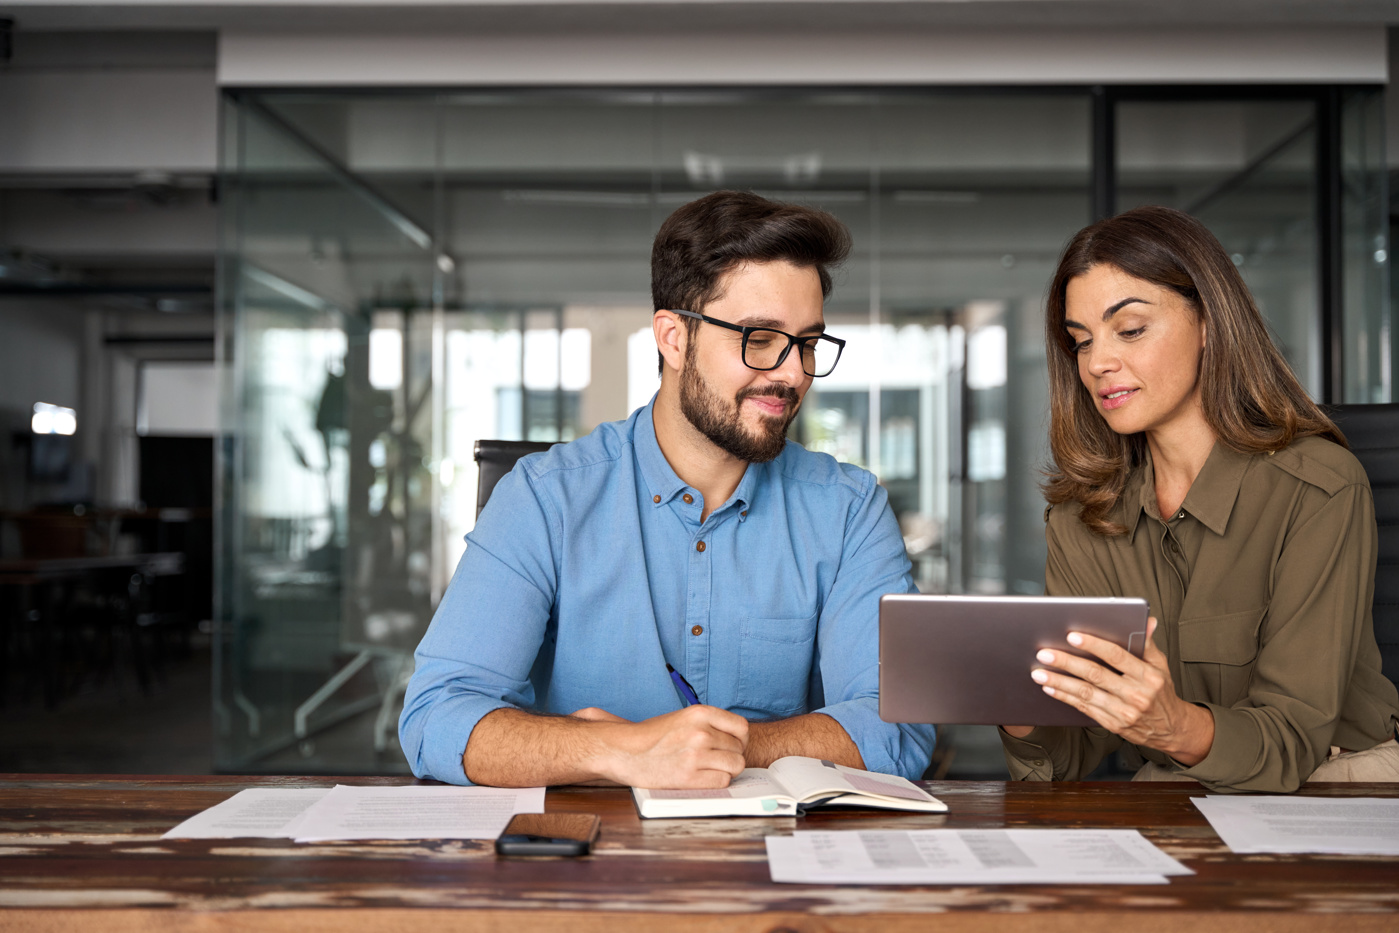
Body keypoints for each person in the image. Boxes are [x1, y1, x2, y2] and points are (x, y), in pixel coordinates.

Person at [400, 190, 936, 788]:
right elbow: (437, 719)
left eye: (808, 343)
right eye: (759, 339)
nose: (793, 373)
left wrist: (717, 747)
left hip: (778, 860)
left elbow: (899, 727)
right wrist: (624, 750)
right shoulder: (543, 497)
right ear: (673, 338)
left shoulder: (848, 509)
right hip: (586, 863)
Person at [1000, 206, 1399, 792]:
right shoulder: (1083, 516)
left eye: (1130, 329)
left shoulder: (1319, 487)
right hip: (1178, 782)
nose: (1098, 363)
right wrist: (1019, 702)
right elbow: (1069, 756)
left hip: (1339, 779)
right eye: (1080, 341)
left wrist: (1171, 727)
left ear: (1210, 322)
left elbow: (1293, 741)